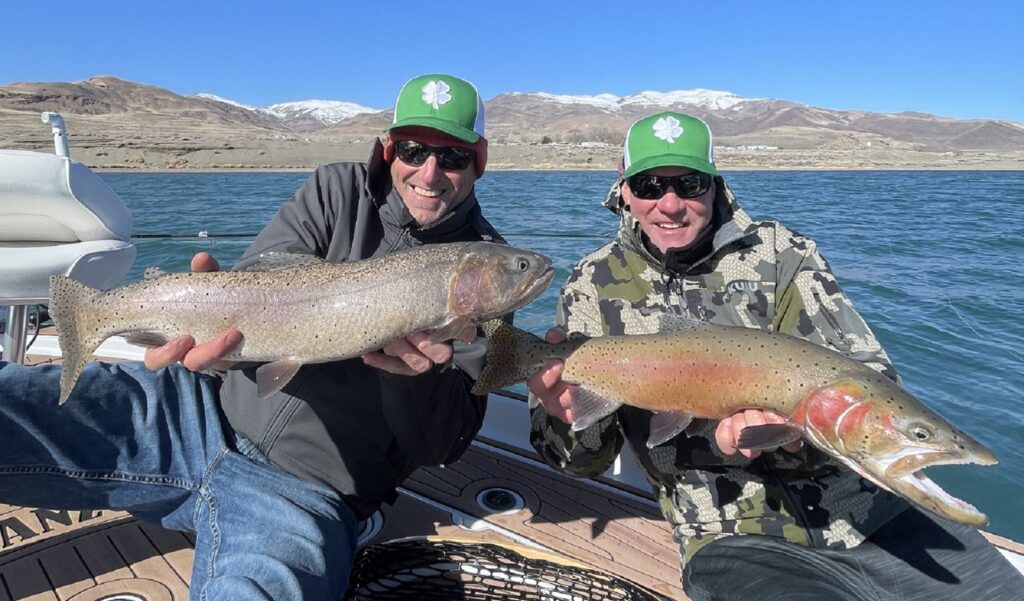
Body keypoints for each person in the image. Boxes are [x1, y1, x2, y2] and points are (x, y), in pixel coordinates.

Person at [0, 73, 503, 600]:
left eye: (452, 157)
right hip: (188, 414)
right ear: (388, 149)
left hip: (304, 494)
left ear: (480, 160)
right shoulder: (337, 188)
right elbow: (260, 277)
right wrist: (213, 346)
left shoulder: (489, 272)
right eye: (414, 149)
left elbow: (444, 444)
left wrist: (416, 381)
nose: (429, 171)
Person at [527, 111, 1024, 600]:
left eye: (691, 184)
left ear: (716, 184)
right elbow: (580, 462)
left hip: (872, 507)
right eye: (651, 185)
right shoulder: (592, 283)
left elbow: (870, 377)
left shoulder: (783, 254)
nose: (671, 205)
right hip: (735, 531)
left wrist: (793, 437)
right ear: (624, 188)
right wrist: (564, 416)